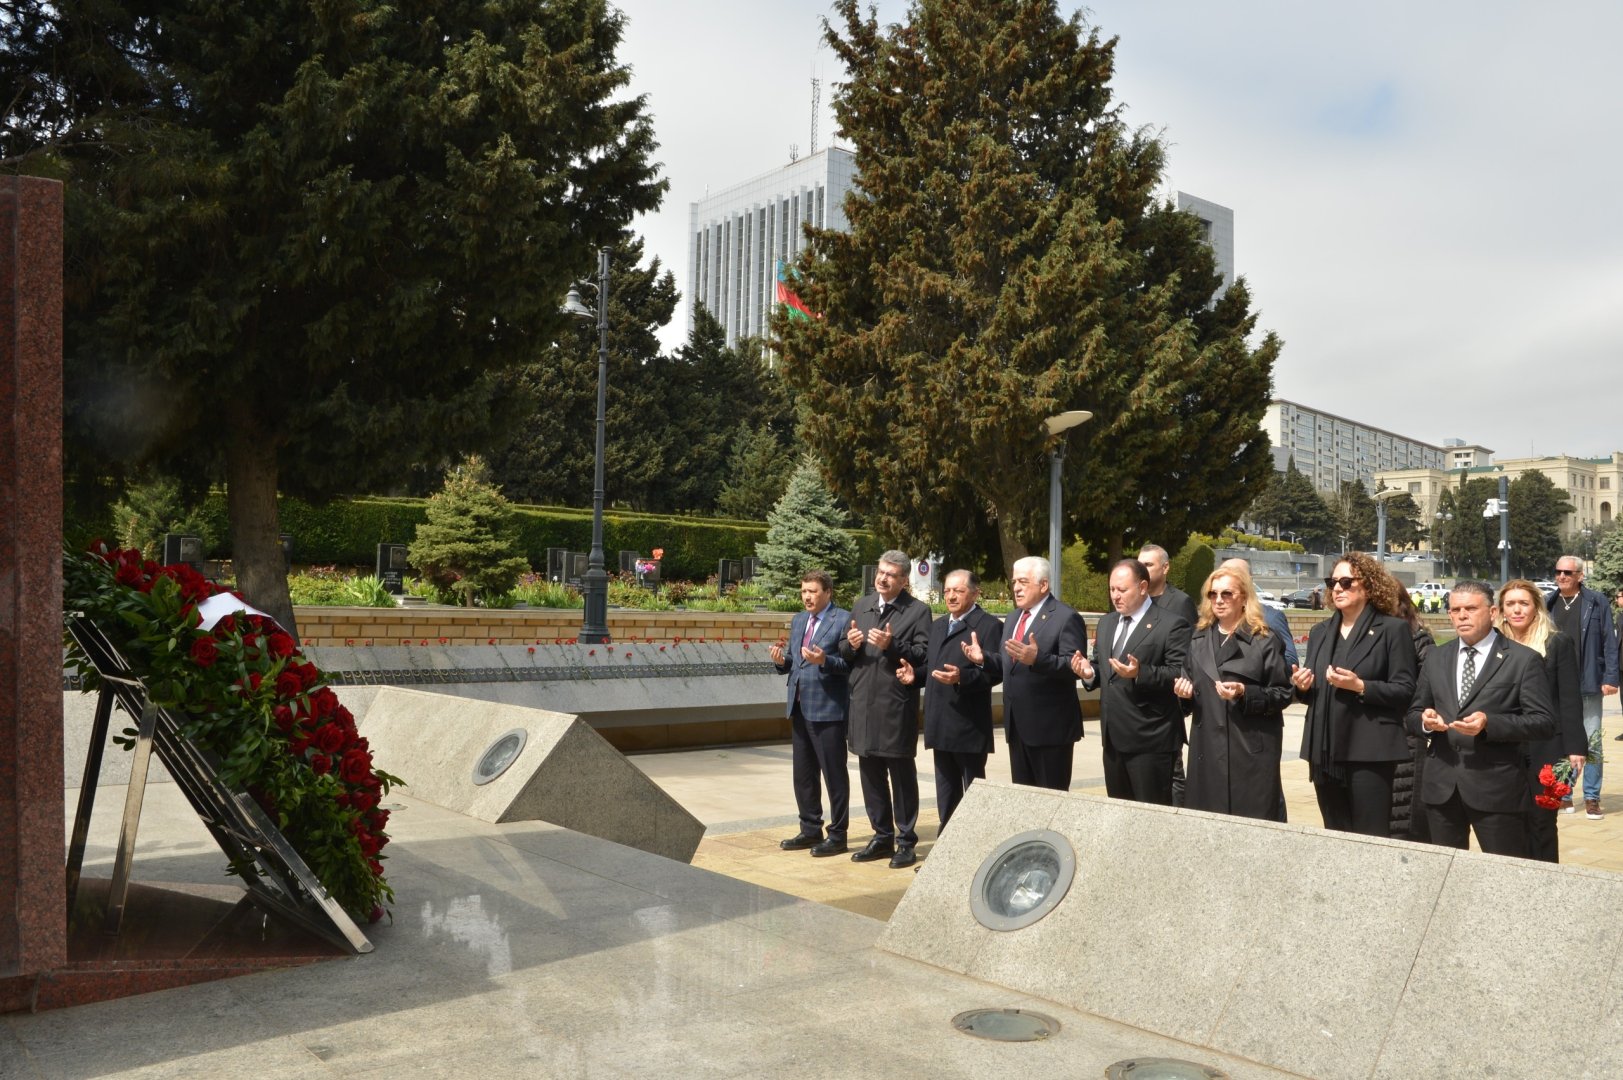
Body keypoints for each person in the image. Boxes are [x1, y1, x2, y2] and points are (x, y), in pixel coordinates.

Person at [1407, 580, 1555, 857]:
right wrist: (1425, 722)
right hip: (1442, 788)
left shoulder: (1523, 660)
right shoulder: (1437, 657)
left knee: (1504, 875)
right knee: (1442, 874)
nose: (1461, 615)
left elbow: (1543, 722)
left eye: (1471, 608)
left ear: (1493, 612)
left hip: (1496, 789)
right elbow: (1413, 713)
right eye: (1455, 610)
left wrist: (1490, 724)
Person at [1291, 552, 1417, 837]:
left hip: (1369, 750)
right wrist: (1302, 685)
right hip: (1324, 749)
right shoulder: (1320, 631)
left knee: (1369, 835)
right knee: (1335, 833)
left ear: (1369, 586)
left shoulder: (1392, 629)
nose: (1337, 588)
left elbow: (1405, 690)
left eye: (1346, 582)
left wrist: (1361, 686)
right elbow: (1311, 690)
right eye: (1332, 582)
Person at [1173, 567, 1291, 820]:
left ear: (1244, 597)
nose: (1218, 600)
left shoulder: (1264, 640)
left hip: (1249, 751)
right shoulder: (1198, 638)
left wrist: (1245, 693)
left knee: (1251, 827)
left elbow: (1283, 693)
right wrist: (1183, 695)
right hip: (1207, 752)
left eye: (1226, 593)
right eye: (1212, 593)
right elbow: (1190, 694)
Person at [839, 551, 931, 868]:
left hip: (895, 704)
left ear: (904, 580)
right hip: (863, 702)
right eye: (880, 572)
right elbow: (843, 651)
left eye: (890, 575)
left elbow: (923, 655)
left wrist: (893, 646)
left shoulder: (918, 612)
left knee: (900, 773)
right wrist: (849, 644)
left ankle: (905, 841)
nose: (882, 578)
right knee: (870, 773)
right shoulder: (862, 606)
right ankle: (881, 836)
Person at [1071, 559, 1190, 805]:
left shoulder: (1171, 624)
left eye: (1122, 590)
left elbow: (1179, 673)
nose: (1115, 596)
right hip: (1113, 739)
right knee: (1119, 812)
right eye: (1112, 589)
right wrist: (1088, 673)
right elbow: (1106, 671)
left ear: (1143, 587)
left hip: (1151, 740)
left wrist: (1140, 673)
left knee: (1151, 817)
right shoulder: (1107, 623)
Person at [964, 555, 1086, 790]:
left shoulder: (1065, 617)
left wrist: (1038, 659)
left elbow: (1075, 667)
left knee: (1050, 802)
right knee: (1024, 801)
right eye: (1014, 582)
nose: (1016, 588)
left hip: (1050, 731)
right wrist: (984, 659)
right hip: (1017, 726)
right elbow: (1011, 666)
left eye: (1023, 582)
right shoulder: (1013, 617)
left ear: (1043, 585)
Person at [897, 569, 1003, 831]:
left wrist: (962, 678)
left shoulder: (989, 626)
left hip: (968, 726)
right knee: (946, 795)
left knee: (973, 793)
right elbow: (934, 668)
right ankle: (946, 852)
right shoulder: (939, 625)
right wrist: (915, 676)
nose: (951, 596)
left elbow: (995, 673)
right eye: (947, 591)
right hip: (939, 722)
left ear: (976, 593)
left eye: (959, 590)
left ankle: (974, 848)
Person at [1498, 579, 1585, 861]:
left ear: (1536, 607)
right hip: (1503, 744)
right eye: (1510, 604)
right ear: (1501, 609)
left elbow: (1569, 697)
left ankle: (1545, 877)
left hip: (1545, 744)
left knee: (1542, 820)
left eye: (1524, 603)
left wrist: (1575, 747)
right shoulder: (1493, 643)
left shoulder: (1556, 642)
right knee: (1507, 820)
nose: (1517, 610)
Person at [769, 570, 852, 857]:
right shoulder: (799, 620)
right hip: (800, 706)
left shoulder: (843, 619)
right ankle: (809, 829)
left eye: (813, 591)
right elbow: (796, 661)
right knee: (803, 775)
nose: (807, 596)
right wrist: (782, 662)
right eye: (804, 591)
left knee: (834, 774)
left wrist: (824, 660)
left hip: (829, 709)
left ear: (828, 592)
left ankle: (838, 835)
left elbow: (849, 665)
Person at [1545, 555, 1619, 818]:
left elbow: (1609, 640)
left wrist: (1611, 677)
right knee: (1562, 741)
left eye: (1567, 572)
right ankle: (1564, 793)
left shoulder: (1595, 601)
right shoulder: (1548, 603)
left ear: (1579, 576)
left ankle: (1591, 797)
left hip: (1587, 682)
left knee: (1592, 741)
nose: (1561, 576)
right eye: (1558, 572)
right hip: (1556, 685)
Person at [1141, 544, 1196, 806]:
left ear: (1166, 568)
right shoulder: (1136, 600)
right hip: (1139, 698)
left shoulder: (1180, 602)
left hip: (1168, 700)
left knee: (1173, 772)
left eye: (1149, 564)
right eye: (1141, 564)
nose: (1144, 569)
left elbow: (1187, 653)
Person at [1389, 587, 1435, 841]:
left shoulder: (1419, 640)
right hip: (1379, 738)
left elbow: (1425, 695)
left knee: (1405, 824)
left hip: (1407, 738)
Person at [1218, 558, 1298, 670]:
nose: (1226, 580)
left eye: (1234, 575)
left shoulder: (1270, 618)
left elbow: (1291, 662)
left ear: (1249, 581)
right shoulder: (1211, 620)